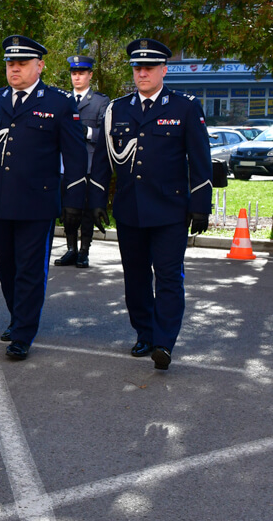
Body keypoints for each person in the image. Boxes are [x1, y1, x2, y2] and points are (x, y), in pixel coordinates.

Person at [89, 38, 212, 371]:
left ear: (163, 70)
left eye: (148, 68)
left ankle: (164, 342)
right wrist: (97, 198)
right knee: (136, 277)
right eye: (137, 68)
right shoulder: (119, 108)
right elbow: (101, 158)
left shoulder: (184, 106)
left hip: (170, 210)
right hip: (130, 208)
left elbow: (200, 159)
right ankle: (145, 332)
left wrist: (201, 204)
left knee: (170, 277)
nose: (141, 73)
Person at [0, 35, 87, 360]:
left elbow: (76, 157)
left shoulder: (59, 103)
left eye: (21, 63)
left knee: (30, 270)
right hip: (1, 201)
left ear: (40, 65)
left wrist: (74, 201)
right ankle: (19, 316)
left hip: (38, 203)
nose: (14, 68)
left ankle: (22, 333)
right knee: (4, 263)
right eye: (10, 63)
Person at [53, 55, 110, 268]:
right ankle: (71, 249)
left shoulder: (100, 102)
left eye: (81, 73)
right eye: (74, 73)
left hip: (88, 164)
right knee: (68, 210)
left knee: (86, 211)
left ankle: (84, 250)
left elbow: (104, 135)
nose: (77, 77)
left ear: (90, 75)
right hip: (65, 164)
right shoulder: (62, 100)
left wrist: (85, 131)